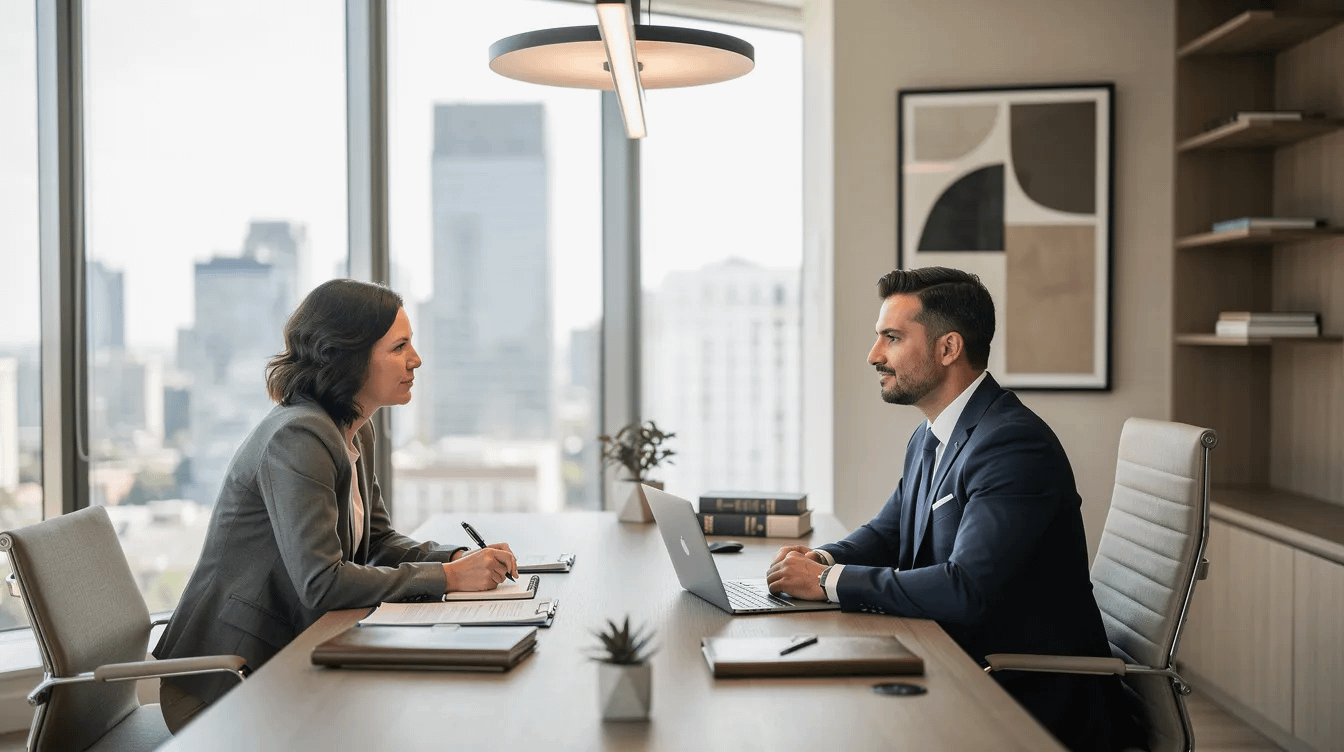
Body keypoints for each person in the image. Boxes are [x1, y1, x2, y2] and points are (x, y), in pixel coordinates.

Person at [765, 267, 1142, 752]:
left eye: (892, 338)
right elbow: (890, 532)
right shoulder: (932, 434)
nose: (873, 355)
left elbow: (967, 588)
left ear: (948, 349)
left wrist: (824, 585)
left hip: (1027, 697)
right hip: (963, 663)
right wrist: (821, 559)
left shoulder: (1011, 443)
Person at [153, 279, 517, 732]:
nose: (416, 359)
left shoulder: (351, 428)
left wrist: (457, 560)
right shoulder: (299, 435)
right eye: (399, 346)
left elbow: (379, 541)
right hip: (224, 685)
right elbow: (321, 583)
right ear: (348, 355)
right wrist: (446, 578)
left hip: (284, 659)